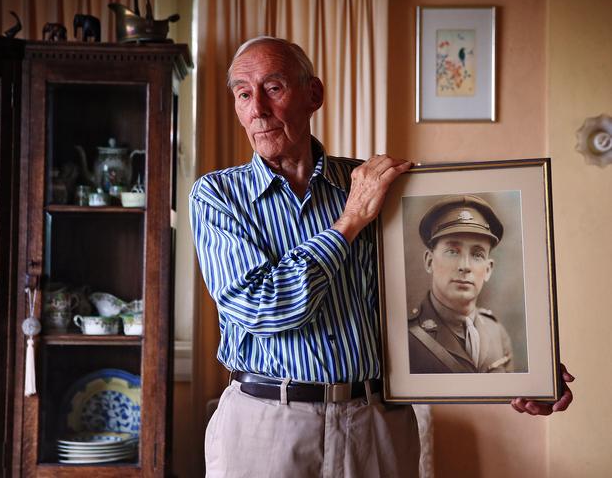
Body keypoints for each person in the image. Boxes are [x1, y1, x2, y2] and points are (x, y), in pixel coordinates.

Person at [190, 36, 573, 478]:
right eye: (242, 93)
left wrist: (527, 374)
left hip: (375, 422)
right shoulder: (218, 196)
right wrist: (348, 221)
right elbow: (264, 309)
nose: (256, 108)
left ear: (313, 94)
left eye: (273, 88)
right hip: (266, 425)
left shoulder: (382, 187)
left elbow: (420, 310)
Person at [408, 194, 515, 374]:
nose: (465, 266)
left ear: (488, 270)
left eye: (477, 254)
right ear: (429, 261)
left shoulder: (497, 333)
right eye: (452, 252)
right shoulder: (407, 337)